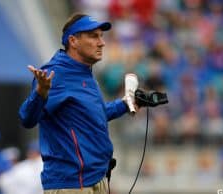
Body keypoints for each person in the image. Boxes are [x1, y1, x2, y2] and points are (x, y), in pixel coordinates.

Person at [19, 13, 136, 194]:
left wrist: (125, 103)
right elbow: (27, 118)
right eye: (93, 36)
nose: (101, 42)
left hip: (96, 180)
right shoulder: (55, 73)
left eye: (101, 36)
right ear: (73, 41)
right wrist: (40, 93)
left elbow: (92, 115)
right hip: (72, 184)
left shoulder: (84, 72)